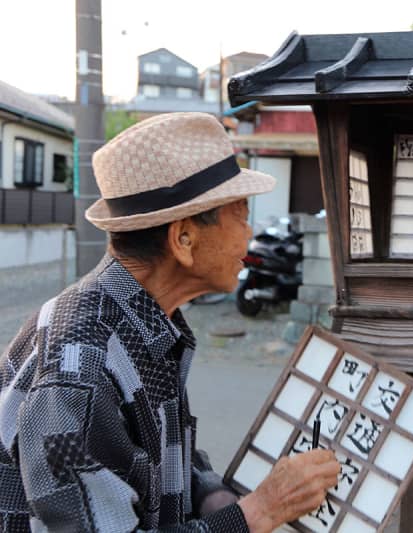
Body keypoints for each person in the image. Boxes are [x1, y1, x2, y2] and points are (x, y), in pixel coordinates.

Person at [0, 112, 339, 532]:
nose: (249, 233)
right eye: (241, 214)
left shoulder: (143, 319)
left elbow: (157, 455)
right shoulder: (81, 363)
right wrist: (258, 512)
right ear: (183, 238)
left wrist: (210, 492)